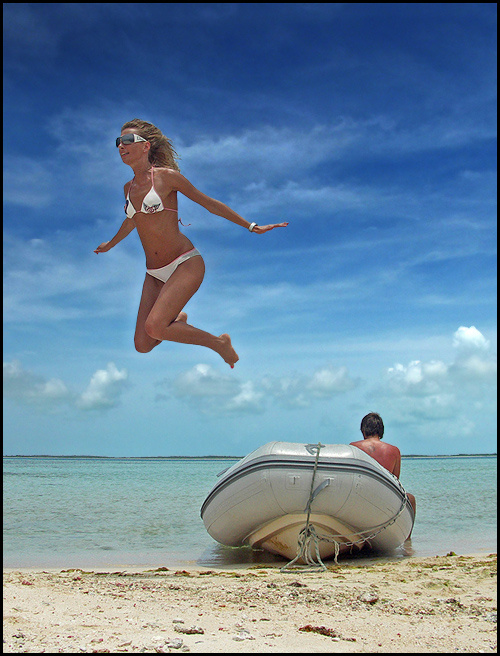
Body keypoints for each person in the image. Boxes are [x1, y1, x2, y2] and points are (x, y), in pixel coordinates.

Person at [94, 119, 288, 367]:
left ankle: (219, 343)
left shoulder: (167, 178)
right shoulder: (128, 189)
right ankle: (176, 321)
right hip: (154, 273)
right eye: (118, 142)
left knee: (155, 327)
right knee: (143, 344)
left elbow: (209, 204)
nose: (121, 145)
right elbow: (132, 220)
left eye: (128, 140)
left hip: (184, 264)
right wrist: (111, 244)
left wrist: (250, 226)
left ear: (146, 146)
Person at [350, 412, 416, 532]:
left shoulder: (353, 447)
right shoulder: (394, 451)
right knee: (411, 499)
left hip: (361, 497)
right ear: (381, 431)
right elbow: (395, 482)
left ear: (363, 430)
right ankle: (407, 539)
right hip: (384, 500)